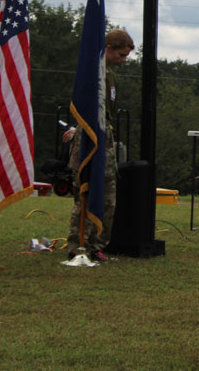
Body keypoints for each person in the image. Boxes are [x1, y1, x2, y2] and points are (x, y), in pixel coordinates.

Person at [64, 28, 135, 261]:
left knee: (107, 196)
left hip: (106, 137)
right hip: (89, 138)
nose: (124, 60)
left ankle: (97, 245)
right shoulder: (91, 73)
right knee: (85, 192)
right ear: (108, 49)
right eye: (121, 55)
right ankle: (78, 245)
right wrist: (79, 129)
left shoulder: (110, 76)